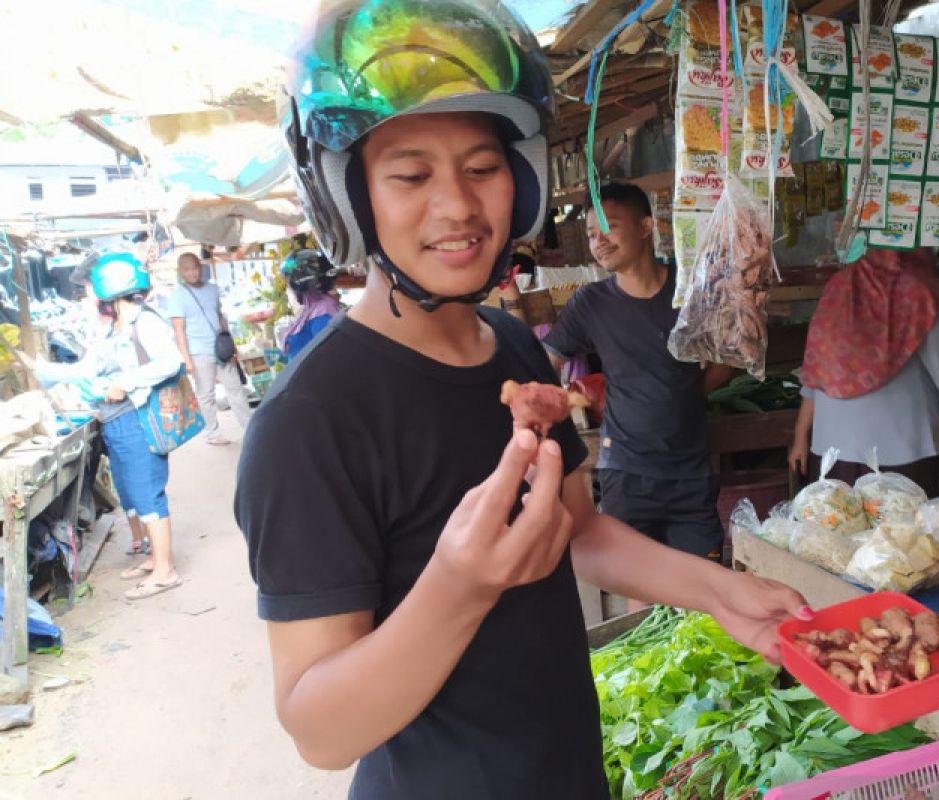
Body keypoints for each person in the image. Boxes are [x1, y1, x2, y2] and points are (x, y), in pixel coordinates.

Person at [234, 2, 810, 796]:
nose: (459, 207)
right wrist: (461, 584)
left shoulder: (507, 348)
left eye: (482, 167)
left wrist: (724, 593)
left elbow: (574, 528)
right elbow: (320, 730)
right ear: (346, 194)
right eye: (409, 174)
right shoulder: (310, 423)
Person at [543, 183, 733, 578]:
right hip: (626, 471)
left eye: (609, 227)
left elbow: (730, 355)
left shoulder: (689, 290)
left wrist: (686, 392)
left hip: (690, 471)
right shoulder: (590, 303)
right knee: (639, 591)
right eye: (592, 234)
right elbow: (547, 361)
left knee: (703, 587)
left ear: (647, 226)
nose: (599, 242)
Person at [31, 253, 184, 599]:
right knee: (131, 493)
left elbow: (171, 362)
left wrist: (126, 382)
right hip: (117, 422)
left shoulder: (145, 322)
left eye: (92, 291)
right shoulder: (118, 325)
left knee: (148, 494)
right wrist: (54, 374)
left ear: (110, 291)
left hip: (137, 420)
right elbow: (92, 368)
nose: (90, 298)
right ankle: (154, 560)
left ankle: (166, 570)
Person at [789, 248, 939, 497]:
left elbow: (816, 370)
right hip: (906, 464)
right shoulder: (926, 295)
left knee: (839, 534)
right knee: (904, 536)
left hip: (831, 462)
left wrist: (801, 436)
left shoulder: (838, 289)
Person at [167, 252, 253, 446]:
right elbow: (178, 330)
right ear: (181, 271)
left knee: (235, 389)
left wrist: (231, 344)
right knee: (206, 394)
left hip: (220, 348)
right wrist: (187, 359)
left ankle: (250, 428)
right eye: (187, 269)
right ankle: (212, 433)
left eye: (195, 267)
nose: (192, 272)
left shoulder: (212, 289)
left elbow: (220, 317)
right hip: (199, 352)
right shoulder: (177, 296)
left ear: (200, 267)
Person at [280, 248, 341, 358]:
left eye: (288, 282)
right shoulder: (310, 310)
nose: (288, 288)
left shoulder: (323, 314)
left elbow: (331, 358)